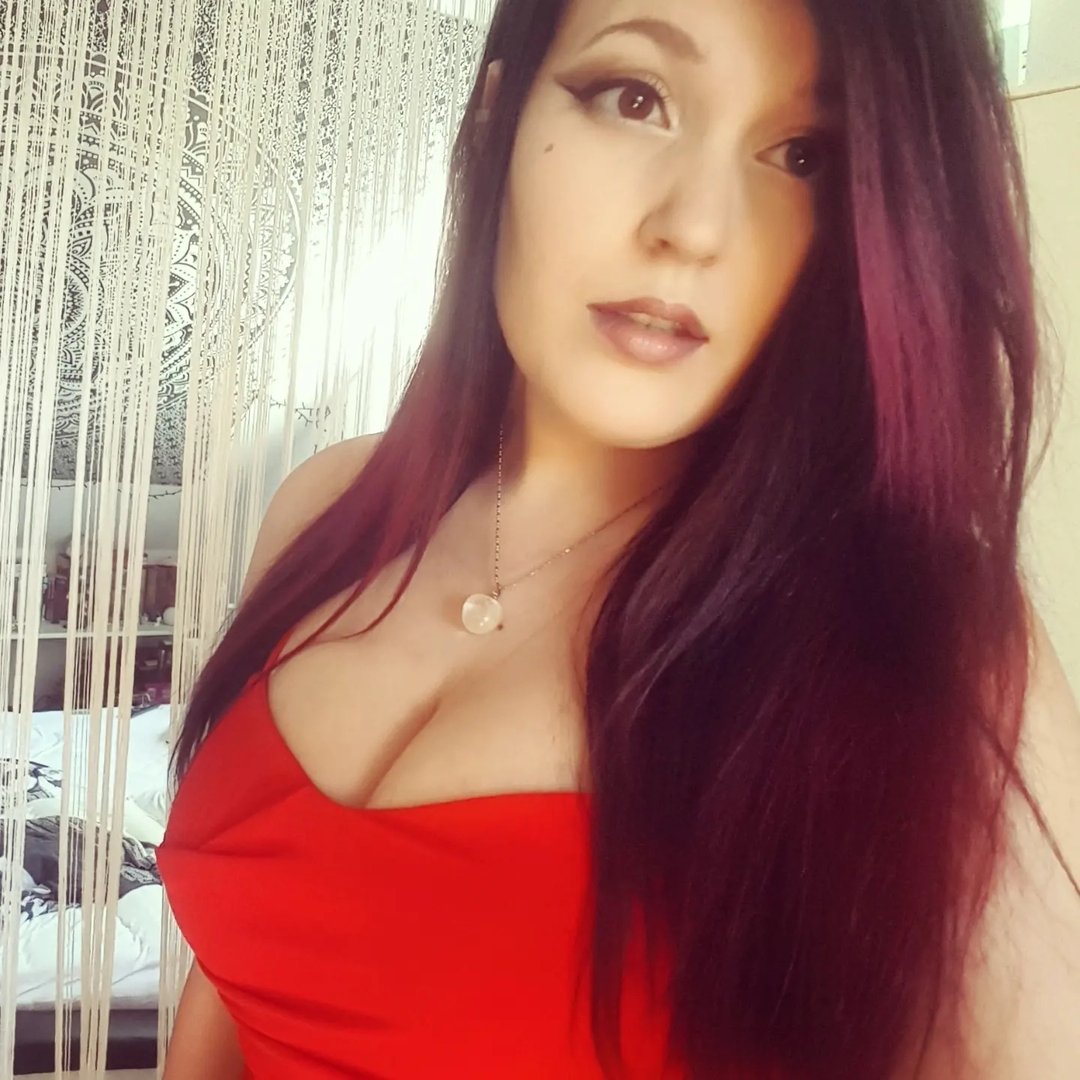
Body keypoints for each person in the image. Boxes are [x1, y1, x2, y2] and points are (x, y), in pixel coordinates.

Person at [157, 0, 1080, 1077]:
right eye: (634, 98)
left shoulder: (927, 639)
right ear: (497, 119)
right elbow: (235, 988)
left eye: (804, 155)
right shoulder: (329, 505)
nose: (697, 226)